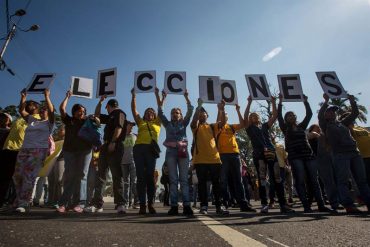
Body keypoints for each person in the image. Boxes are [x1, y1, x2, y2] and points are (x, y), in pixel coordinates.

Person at [278, 94, 331, 213]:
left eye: (293, 115)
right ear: (286, 119)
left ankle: (321, 205)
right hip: (295, 157)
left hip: (308, 155)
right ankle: (306, 205)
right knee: (300, 180)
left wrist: (305, 101)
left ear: (296, 117)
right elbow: (279, 117)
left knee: (314, 180)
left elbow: (309, 115)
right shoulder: (285, 128)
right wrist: (280, 102)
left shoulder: (302, 127)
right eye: (289, 115)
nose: (291, 116)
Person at [319, 93, 370, 213]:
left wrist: (352, 101)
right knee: (343, 180)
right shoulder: (325, 125)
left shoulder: (343, 123)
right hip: (340, 155)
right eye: (329, 111)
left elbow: (355, 113)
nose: (332, 113)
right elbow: (320, 115)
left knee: (362, 180)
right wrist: (326, 102)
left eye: (333, 111)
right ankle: (349, 205)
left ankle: (369, 202)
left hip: (354, 153)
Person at [245, 95, 294, 213]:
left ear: (259, 118)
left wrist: (273, 101)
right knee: (262, 179)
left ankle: (283, 204)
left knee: (277, 178)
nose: (253, 116)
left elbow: (275, 116)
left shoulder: (264, 126)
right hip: (259, 155)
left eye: (255, 115)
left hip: (271, 152)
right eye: (251, 116)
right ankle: (264, 204)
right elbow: (245, 116)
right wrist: (249, 102)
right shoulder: (249, 128)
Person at [12, 89, 54, 213]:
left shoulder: (49, 124)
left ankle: (24, 203)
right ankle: (19, 200)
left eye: (44, 109)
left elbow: (51, 111)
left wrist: (47, 97)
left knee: (28, 177)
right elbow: (21, 111)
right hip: (24, 149)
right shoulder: (32, 120)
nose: (42, 111)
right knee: (17, 176)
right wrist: (23, 98)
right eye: (41, 109)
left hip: (38, 150)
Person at [84, 96, 127, 214]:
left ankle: (120, 204)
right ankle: (97, 204)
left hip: (115, 145)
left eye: (106, 107)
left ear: (109, 106)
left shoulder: (119, 113)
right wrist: (100, 101)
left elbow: (119, 127)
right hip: (106, 146)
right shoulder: (109, 117)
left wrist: (113, 142)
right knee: (101, 175)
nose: (105, 109)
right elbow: (97, 115)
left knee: (116, 175)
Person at [157, 89, 194, 216]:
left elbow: (190, 110)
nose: (174, 114)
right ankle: (173, 206)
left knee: (184, 180)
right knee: (173, 180)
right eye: (172, 112)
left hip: (183, 152)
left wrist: (186, 97)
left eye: (177, 112)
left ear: (180, 115)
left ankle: (187, 206)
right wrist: (163, 99)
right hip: (171, 153)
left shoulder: (184, 123)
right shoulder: (167, 124)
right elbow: (160, 113)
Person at [57, 91, 94, 213]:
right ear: (74, 111)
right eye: (79, 110)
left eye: (83, 112)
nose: (81, 113)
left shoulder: (88, 121)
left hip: (85, 151)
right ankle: (63, 203)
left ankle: (80, 204)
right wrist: (67, 97)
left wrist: (94, 118)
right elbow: (62, 109)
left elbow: (98, 122)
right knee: (69, 176)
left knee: (82, 176)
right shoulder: (69, 120)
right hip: (69, 151)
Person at [190, 98, 228, 215]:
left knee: (217, 184)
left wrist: (221, 109)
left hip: (214, 159)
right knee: (202, 185)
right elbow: (193, 121)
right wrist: (198, 107)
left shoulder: (212, 126)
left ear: (207, 115)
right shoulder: (195, 128)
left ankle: (218, 206)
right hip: (200, 160)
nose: (201, 114)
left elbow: (223, 122)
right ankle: (204, 206)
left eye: (203, 113)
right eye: (200, 113)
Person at [216, 103, 255, 212]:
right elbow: (220, 118)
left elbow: (243, 124)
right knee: (223, 180)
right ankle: (225, 203)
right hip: (222, 156)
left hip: (235, 155)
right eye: (223, 114)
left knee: (239, 180)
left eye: (226, 114)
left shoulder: (232, 127)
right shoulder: (216, 127)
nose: (225, 115)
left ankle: (243, 203)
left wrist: (238, 110)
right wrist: (221, 110)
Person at [131, 88, 161, 215]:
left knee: (150, 177)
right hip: (139, 149)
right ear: (144, 115)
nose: (150, 114)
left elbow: (160, 108)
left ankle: (151, 204)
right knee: (141, 177)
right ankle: (142, 204)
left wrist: (157, 95)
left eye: (152, 113)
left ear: (154, 116)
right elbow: (134, 110)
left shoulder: (158, 123)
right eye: (148, 112)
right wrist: (134, 96)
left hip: (150, 150)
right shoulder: (140, 122)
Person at [307, 124, 340, 210]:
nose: (319, 128)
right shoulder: (311, 135)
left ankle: (328, 199)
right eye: (317, 127)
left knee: (326, 180)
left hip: (325, 160)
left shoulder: (322, 136)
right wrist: (317, 134)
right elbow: (310, 135)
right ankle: (310, 202)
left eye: (319, 127)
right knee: (314, 182)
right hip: (314, 159)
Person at [121, 121, 139, 209]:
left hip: (133, 161)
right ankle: (126, 203)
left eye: (132, 126)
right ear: (126, 126)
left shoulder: (135, 136)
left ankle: (136, 202)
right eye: (130, 125)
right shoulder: (121, 136)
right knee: (126, 183)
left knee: (134, 182)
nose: (131, 127)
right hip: (123, 162)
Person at [0, 112, 12, 210]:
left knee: (5, 180)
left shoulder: (11, 132)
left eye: (4, 118)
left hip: (7, 156)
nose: (2, 119)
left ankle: (4, 200)